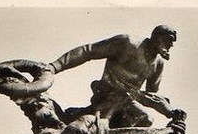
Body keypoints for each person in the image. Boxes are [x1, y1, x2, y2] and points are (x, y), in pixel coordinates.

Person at [48, 25, 186, 128]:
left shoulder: (158, 64)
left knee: (146, 119)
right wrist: (55, 66)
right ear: (157, 37)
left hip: (128, 100)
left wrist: (171, 111)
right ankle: (78, 115)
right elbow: (88, 51)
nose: (171, 45)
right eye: (169, 40)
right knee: (126, 116)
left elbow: (151, 95)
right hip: (106, 93)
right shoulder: (128, 43)